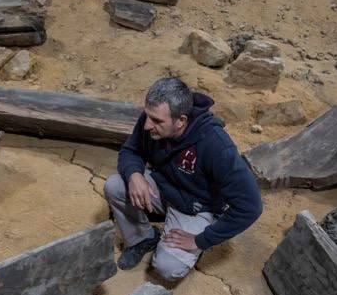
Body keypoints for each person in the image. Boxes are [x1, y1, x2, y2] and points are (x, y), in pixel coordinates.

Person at [104, 77, 262, 281]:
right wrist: (135, 175)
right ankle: (143, 238)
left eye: (157, 121)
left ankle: (193, 239)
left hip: (197, 208)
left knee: (168, 268)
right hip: (165, 188)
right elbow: (131, 150)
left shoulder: (216, 146)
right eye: (148, 116)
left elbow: (250, 206)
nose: (147, 125)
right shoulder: (151, 120)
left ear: (181, 121)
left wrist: (200, 240)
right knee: (115, 185)